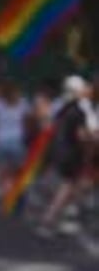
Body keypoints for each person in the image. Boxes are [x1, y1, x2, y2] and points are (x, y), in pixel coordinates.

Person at [39, 74, 97, 235]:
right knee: (68, 186)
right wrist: (93, 137)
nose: (87, 90)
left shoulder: (63, 107)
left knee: (75, 185)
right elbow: (82, 135)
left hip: (60, 150)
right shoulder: (78, 110)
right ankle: (49, 219)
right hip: (72, 153)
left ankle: (69, 214)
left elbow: (49, 125)